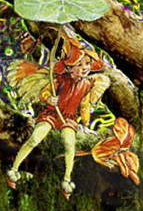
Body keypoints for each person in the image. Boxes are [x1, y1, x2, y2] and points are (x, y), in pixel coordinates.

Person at [6, 37, 110, 199]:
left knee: (70, 145)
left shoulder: (87, 84)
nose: (85, 68)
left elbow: (84, 106)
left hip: (68, 117)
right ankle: (14, 169)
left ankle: (67, 180)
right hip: (52, 113)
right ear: (69, 67)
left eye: (88, 64)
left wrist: (85, 125)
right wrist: (49, 99)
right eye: (79, 65)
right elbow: (45, 92)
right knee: (35, 139)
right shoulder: (60, 79)